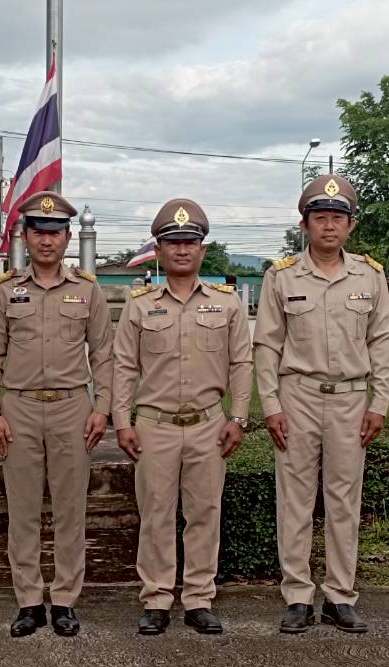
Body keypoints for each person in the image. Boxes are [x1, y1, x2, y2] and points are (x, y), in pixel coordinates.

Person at [253, 174, 389, 635]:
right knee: (294, 500)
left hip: (352, 399)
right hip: (298, 397)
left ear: (351, 225)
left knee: (343, 500)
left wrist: (380, 402)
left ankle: (340, 595)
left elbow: (382, 341)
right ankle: (297, 595)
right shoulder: (282, 276)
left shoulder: (370, 276)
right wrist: (271, 404)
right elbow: (267, 345)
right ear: (305, 223)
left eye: (338, 218)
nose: (329, 227)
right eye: (320, 218)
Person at [112, 199, 253, 635]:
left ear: (202, 249)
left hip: (209, 423)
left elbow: (241, 364)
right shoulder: (140, 305)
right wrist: (122, 420)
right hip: (155, 425)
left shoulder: (226, 303)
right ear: (158, 249)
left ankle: (197, 598)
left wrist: (240, 417)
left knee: (204, 513)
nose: (181, 250)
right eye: (172, 243)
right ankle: (156, 597)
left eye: (190, 242)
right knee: (155, 514)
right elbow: (123, 366)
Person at [0, 191, 113, 638]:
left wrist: (104, 408)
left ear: (68, 237)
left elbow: (105, 355)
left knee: (71, 510)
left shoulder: (87, 290)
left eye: (55, 232)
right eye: (39, 231)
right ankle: (29, 600)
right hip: (17, 407)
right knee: (22, 511)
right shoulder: (6, 290)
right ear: (26, 235)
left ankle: (65, 600)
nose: (47, 240)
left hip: (73, 407)